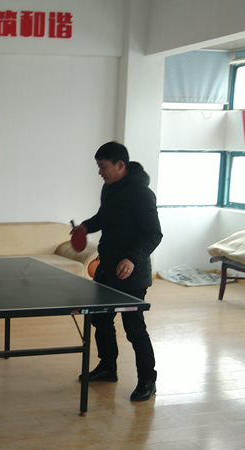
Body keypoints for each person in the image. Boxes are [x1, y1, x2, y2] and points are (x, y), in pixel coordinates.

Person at [72, 141, 163, 402]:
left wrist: (132, 259)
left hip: (131, 274)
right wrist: (85, 227)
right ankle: (108, 367)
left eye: (103, 167)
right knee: (101, 320)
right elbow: (104, 217)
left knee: (134, 328)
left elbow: (153, 234)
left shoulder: (142, 194)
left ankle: (148, 380)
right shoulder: (110, 188)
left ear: (120, 165)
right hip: (107, 269)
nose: (100, 172)